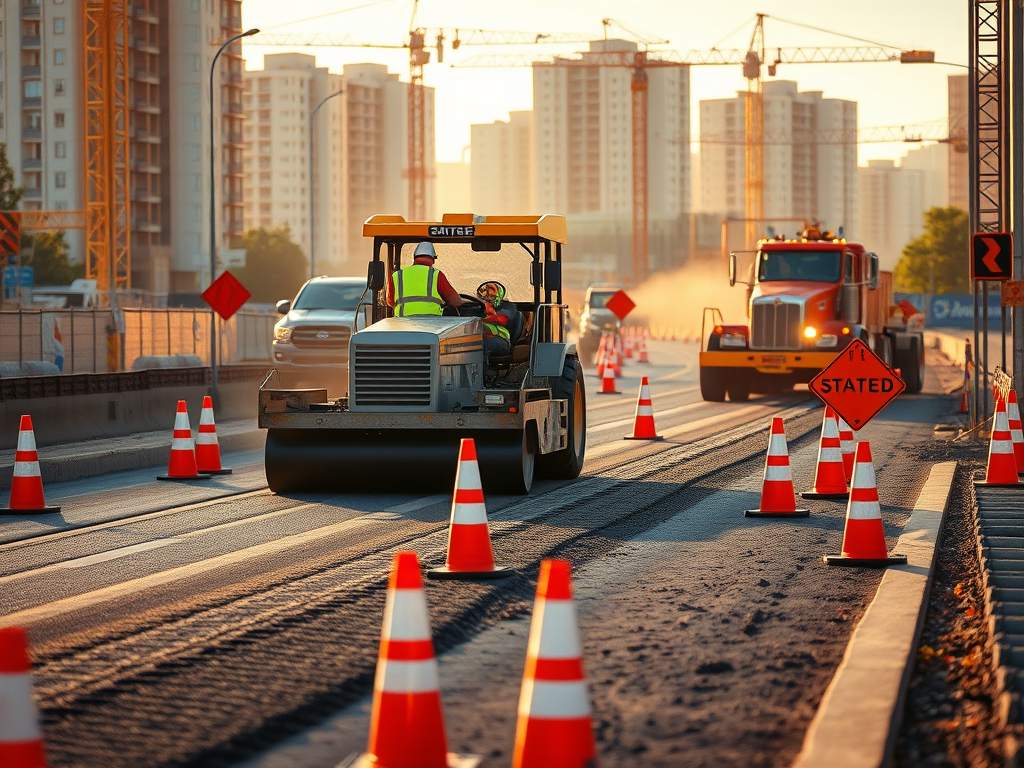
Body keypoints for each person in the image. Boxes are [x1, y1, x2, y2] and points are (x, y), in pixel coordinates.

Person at [387, 242, 463, 316]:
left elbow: (390, 301)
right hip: (433, 325)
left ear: (414, 258)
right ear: (433, 259)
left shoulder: (397, 275)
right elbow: (455, 301)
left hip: (402, 324)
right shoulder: (436, 275)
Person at [477, 281, 513, 368]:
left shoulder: (505, 308)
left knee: (483, 344)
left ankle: (484, 376)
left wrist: (484, 319)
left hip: (501, 340)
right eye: (485, 295)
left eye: (491, 296)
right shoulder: (480, 308)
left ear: (498, 297)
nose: (487, 298)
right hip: (483, 337)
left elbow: (503, 319)